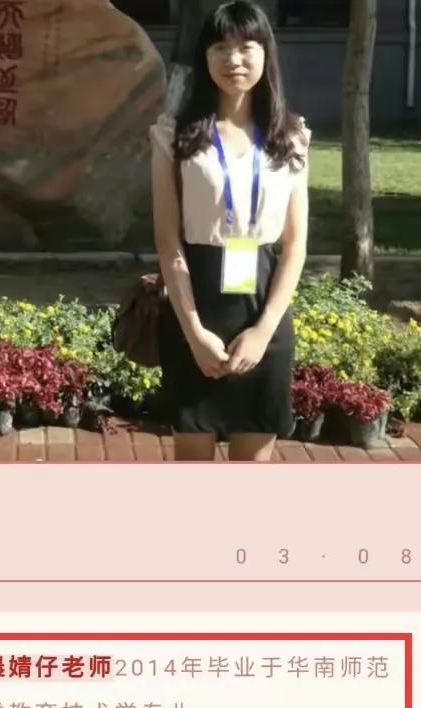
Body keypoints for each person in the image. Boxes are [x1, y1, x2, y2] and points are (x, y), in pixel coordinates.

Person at [150, 0, 311, 462]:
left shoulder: (291, 136)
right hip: (195, 309)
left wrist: (263, 331)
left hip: (263, 312)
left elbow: (295, 244)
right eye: (220, 47)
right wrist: (194, 333)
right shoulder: (174, 135)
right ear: (205, 56)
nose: (233, 59)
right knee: (193, 465)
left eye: (246, 47)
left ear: (266, 53)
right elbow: (168, 241)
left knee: (252, 467)